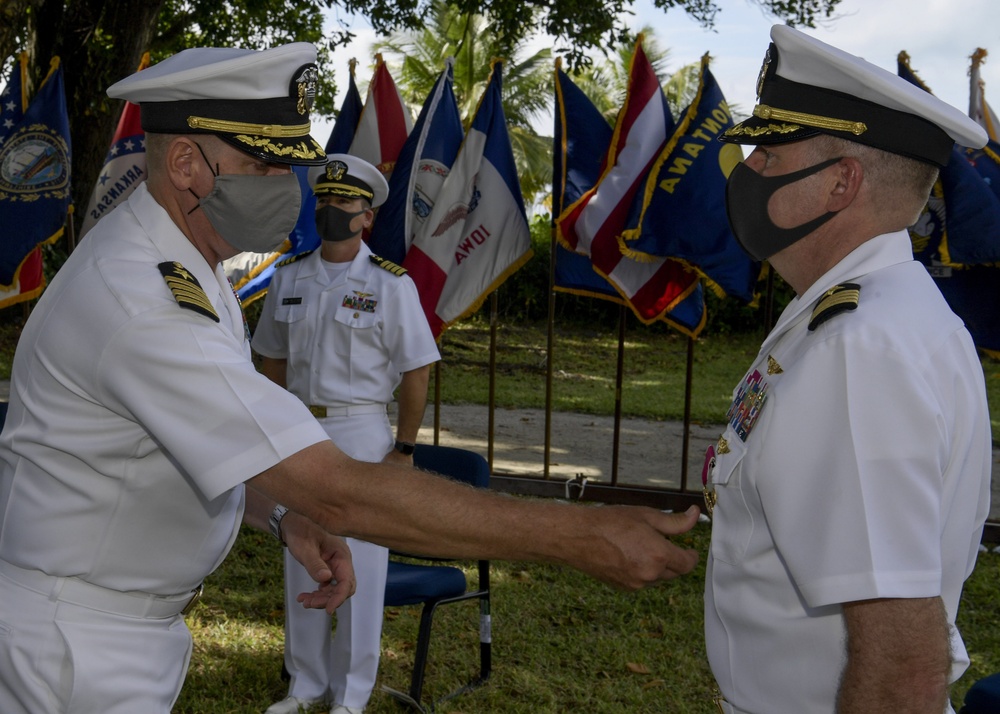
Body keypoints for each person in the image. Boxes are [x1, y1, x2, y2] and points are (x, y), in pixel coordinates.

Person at [0, 42, 700, 714]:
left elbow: (186, 445)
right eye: (266, 168)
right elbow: (338, 493)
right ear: (186, 162)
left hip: (110, 628)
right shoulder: (143, 297)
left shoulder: (191, 266)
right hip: (72, 646)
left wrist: (279, 515)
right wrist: (577, 537)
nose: (291, 189)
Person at [703, 25, 992, 714]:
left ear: (841, 182)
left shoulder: (858, 349)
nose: (749, 167)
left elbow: (901, 669)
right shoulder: (872, 312)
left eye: (769, 151)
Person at [253, 154, 440, 714]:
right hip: (301, 429)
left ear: (367, 216)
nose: (332, 209)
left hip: (362, 431)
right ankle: (305, 684)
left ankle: (350, 695)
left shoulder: (390, 285)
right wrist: (276, 427)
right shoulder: (289, 277)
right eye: (326, 200)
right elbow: (271, 360)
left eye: (345, 203)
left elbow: (416, 369)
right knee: (302, 551)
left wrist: (403, 448)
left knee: (362, 557)